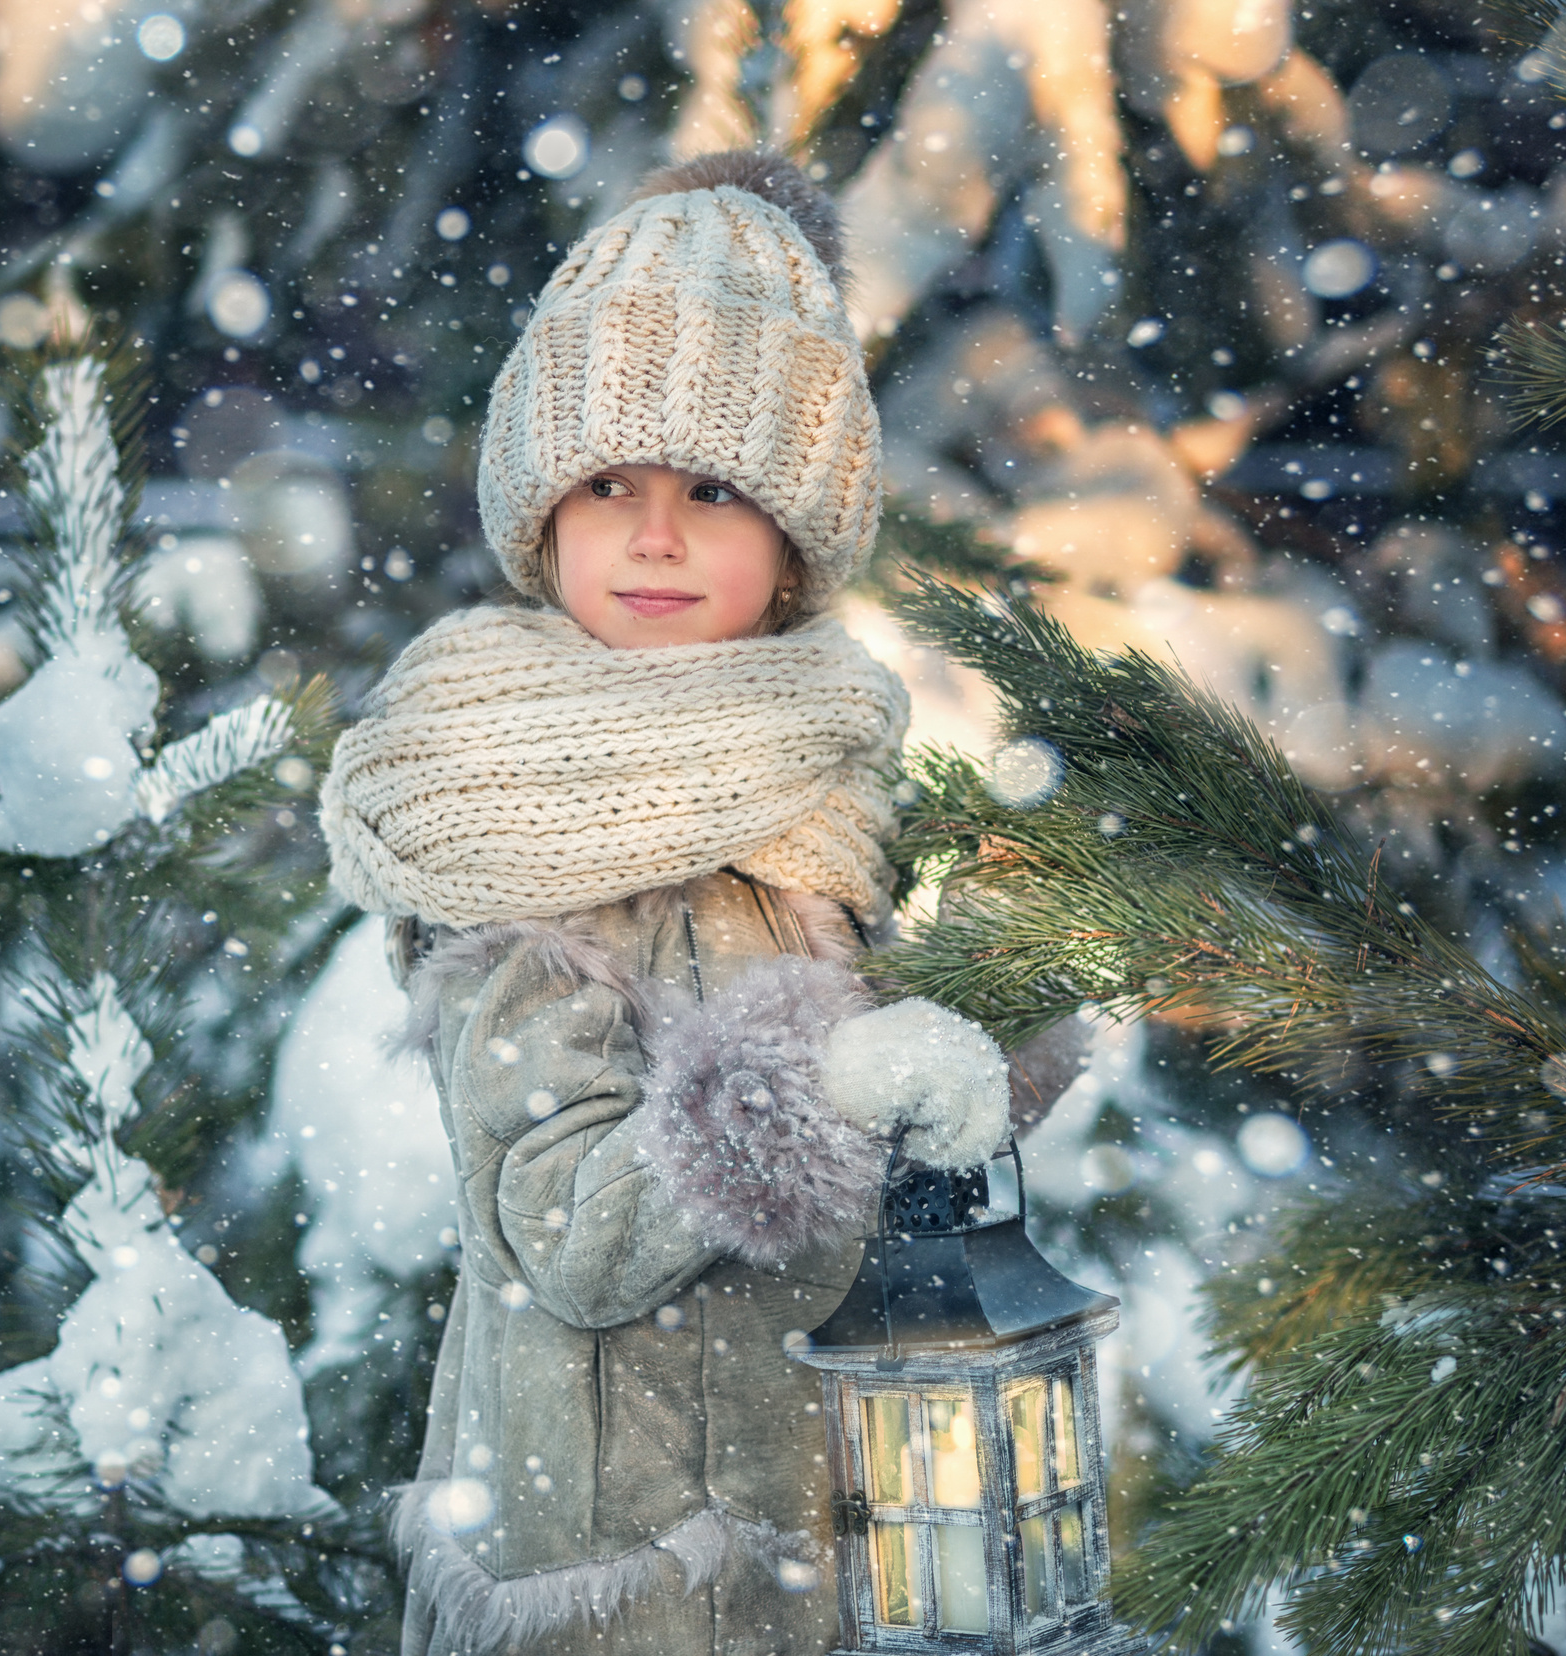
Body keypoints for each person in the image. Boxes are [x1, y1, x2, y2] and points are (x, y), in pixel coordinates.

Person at [317, 151, 1080, 1656]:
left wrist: (997, 1019)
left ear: (795, 542)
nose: (655, 534)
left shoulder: (827, 776)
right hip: (614, 1574)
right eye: (610, 483)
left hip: (830, 1522)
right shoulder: (498, 798)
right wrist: (819, 1086)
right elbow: (568, 1227)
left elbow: (909, 1107)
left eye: (715, 490)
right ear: (542, 516)